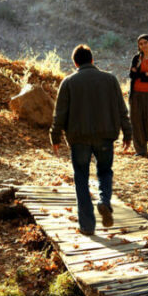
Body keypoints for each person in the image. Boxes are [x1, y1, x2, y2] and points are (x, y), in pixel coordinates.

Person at [50, 44, 132, 236]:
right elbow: (122, 109)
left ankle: (87, 225)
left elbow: (59, 113)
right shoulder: (110, 80)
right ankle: (104, 201)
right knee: (104, 172)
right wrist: (128, 133)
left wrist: (55, 136)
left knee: (81, 178)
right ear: (92, 60)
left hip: (79, 139)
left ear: (75, 63)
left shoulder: (69, 82)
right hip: (105, 137)